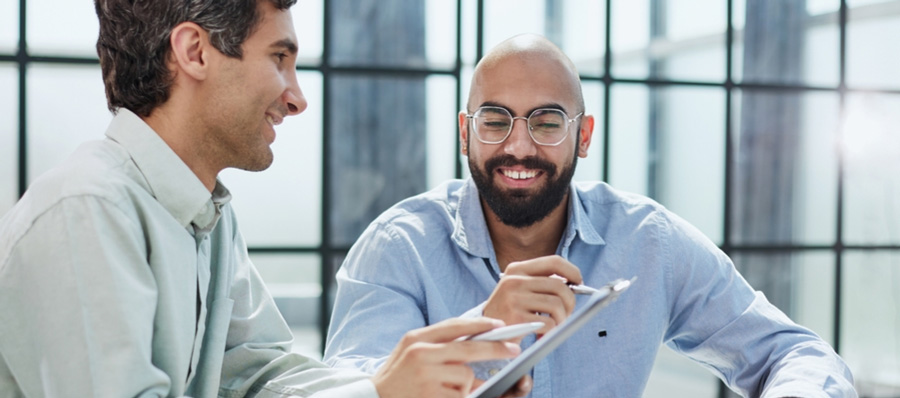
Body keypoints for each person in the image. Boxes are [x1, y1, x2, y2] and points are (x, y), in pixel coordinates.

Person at [0, 1, 530, 397]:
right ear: (194, 52)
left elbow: (262, 377)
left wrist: (417, 385)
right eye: (279, 57)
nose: (297, 98)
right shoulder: (86, 210)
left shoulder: (206, 216)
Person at [323, 34, 858, 397]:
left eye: (547, 122)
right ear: (466, 131)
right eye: (495, 120)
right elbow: (351, 389)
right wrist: (486, 338)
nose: (519, 147)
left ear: (583, 135)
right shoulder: (398, 247)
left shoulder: (649, 241)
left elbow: (792, 352)